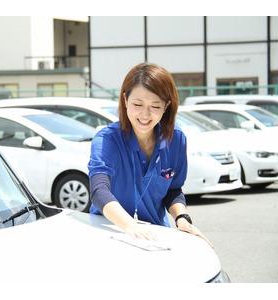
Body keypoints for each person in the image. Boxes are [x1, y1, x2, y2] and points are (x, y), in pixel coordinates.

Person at [88, 62, 211, 245]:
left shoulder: (176, 140)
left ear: (166, 106)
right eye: (138, 104)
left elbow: (173, 190)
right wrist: (130, 226)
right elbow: (99, 191)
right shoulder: (106, 140)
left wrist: (181, 217)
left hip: (155, 234)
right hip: (110, 231)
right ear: (125, 100)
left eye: (155, 106)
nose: (145, 115)